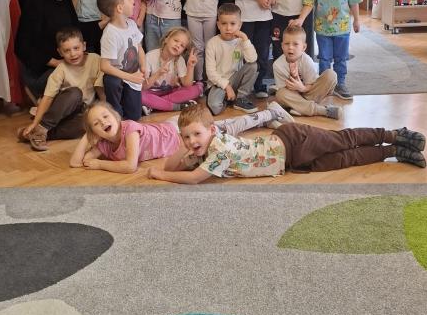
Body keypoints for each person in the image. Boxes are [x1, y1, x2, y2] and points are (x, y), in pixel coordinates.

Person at [147, 102, 426, 183]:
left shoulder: (218, 149)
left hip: (294, 141)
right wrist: (184, 148)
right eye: (186, 136)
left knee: (344, 140)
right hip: (293, 163)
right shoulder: (202, 151)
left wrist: (161, 175)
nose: (191, 140)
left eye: (196, 134)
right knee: (346, 159)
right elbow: (174, 165)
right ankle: (395, 151)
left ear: (211, 130)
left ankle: (393, 135)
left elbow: (194, 178)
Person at [71, 99, 290, 174]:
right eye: (96, 124)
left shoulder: (130, 130)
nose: (103, 123)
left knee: (228, 127)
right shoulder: (104, 144)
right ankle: (266, 120)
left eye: (105, 117)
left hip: (176, 130)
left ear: (116, 116)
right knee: (227, 127)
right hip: (178, 137)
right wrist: (87, 137)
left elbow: (130, 166)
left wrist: (99, 165)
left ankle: (270, 112)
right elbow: (76, 162)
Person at [290, 0, 362, 100]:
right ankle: (325, 84)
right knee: (324, 58)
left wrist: (357, 20)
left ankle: (340, 83)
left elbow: (354, 1)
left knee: (341, 58)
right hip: (323, 28)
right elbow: (309, 2)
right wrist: (301, 19)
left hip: (343, 28)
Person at [17, 27, 104, 151]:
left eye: (76, 48)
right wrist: (36, 123)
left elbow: (100, 89)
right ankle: (41, 128)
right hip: (60, 110)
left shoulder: (95, 60)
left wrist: (108, 112)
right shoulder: (61, 69)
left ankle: (36, 134)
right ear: (60, 52)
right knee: (75, 93)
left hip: (81, 111)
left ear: (84, 46)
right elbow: (48, 98)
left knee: (88, 124)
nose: (73, 54)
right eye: (67, 50)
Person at [15, 0, 80, 100]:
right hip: (41, 72)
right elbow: (22, 47)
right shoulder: (35, 4)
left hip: (64, 64)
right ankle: (41, 102)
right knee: (75, 91)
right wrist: (58, 63)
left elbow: (76, 32)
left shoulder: (66, 0)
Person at [98, 0, 144, 121]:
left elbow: (139, 47)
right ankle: (115, 114)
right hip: (118, 76)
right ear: (119, 8)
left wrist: (144, 66)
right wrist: (130, 77)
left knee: (134, 116)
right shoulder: (110, 33)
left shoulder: (132, 24)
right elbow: (104, 66)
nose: (133, 1)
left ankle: (124, 108)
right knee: (111, 81)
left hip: (132, 78)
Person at [273, 26, 339, 119]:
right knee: (280, 94)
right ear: (282, 46)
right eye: (287, 44)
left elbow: (311, 85)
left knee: (331, 75)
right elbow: (283, 90)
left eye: (295, 44)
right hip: (293, 96)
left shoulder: (307, 60)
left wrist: (302, 88)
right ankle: (321, 110)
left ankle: (300, 107)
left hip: (309, 93)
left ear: (303, 47)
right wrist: (294, 77)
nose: (290, 47)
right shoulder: (277, 65)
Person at [205, 3, 258, 115]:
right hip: (219, 82)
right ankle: (227, 99)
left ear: (239, 25)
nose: (228, 28)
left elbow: (252, 59)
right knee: (215, 107)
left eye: (233, 24)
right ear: (218, 25)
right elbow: (211, 73)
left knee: (253, 65)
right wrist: (227, 87)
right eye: (224, 23)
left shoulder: (241, 41)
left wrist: (245, 38)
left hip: (235, 79)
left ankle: (240, 98)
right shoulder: (212, 43)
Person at [142, 27, 203, 113]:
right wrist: (158, 73)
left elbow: (187, 84)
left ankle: (155, 104)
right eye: (176, 41)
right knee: (140, 96)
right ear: (166, 39)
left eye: (182, 46)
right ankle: (174, 106)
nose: (178, 45)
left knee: (196, 89)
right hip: (151, 92)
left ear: (183, 51)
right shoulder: (150, 56)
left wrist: (190, 66)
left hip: (170, 92)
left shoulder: (180, 60)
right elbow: (144, 86)